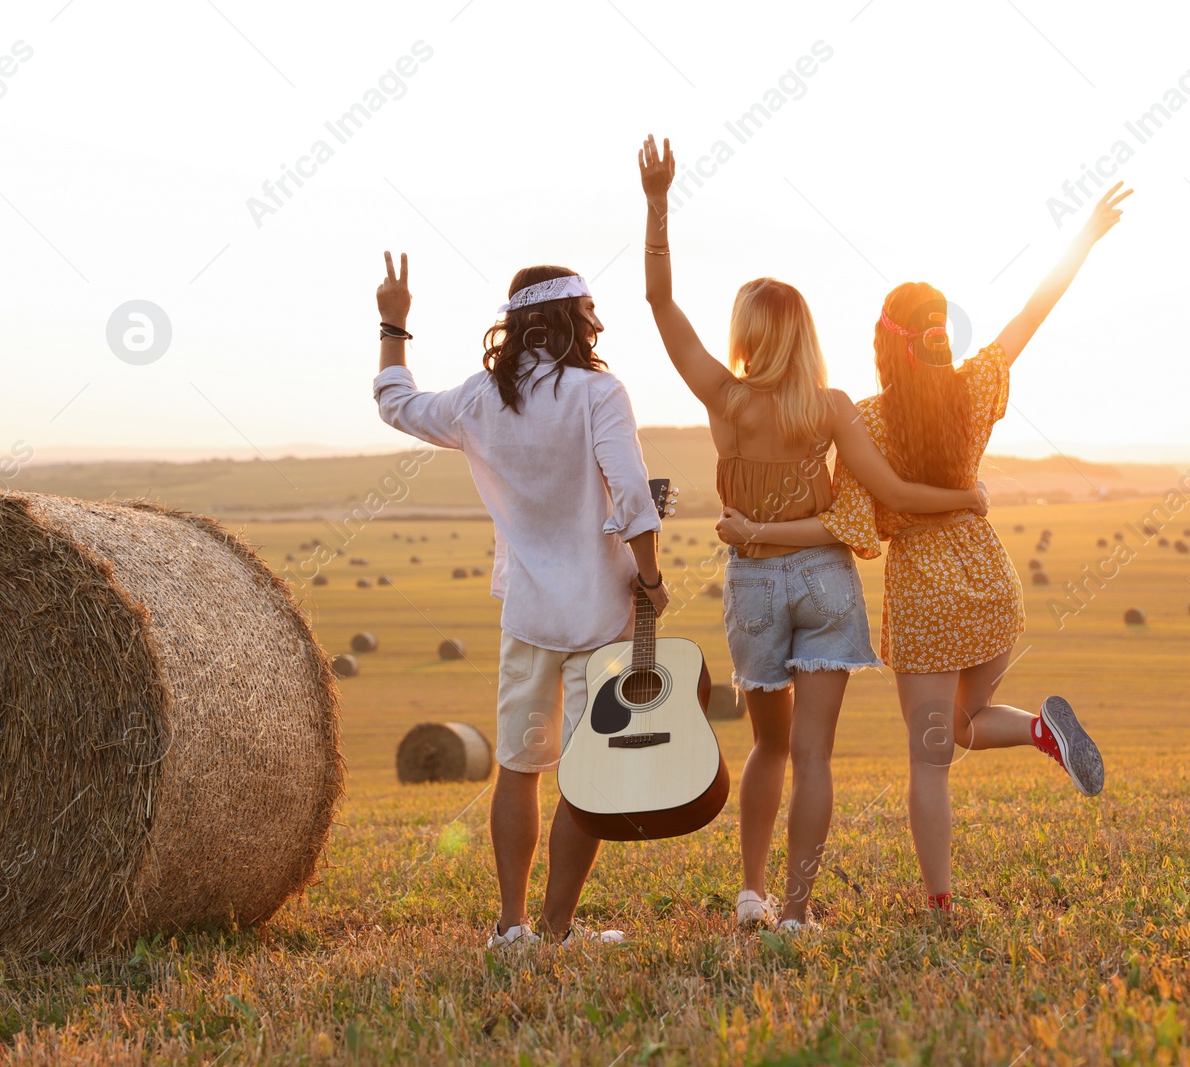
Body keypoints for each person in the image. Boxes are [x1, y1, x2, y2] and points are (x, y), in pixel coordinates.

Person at [717, 182, 1132, 914]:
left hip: (925, 592)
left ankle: (940, 900)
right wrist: (1086, 238)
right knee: (967, 724)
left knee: (929, 758)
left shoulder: (869, 423)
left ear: (884, 343)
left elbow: (847, 524)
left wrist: (758, 534)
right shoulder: (975, 389)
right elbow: (1031, 314)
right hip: (991, 577)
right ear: (944, 336)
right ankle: (1041, 730)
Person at [638, 136, 988, 933]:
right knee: (814, 758)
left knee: (767, 748)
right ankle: (798, 912)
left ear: (747, 334)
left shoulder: (724, 397)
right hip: (827, 581)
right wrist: (964, 497)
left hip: (755, 585)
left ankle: (753, 895)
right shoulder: (829, 406)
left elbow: (660, 305)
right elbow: (895, 491)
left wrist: (658, 202)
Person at [373, 251, 668, 947]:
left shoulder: (479, 399)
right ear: (576, 319)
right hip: (601, 611)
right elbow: (631, 491)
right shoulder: (601, 394)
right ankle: (561, 929)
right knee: (585, 774)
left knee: (517, 766)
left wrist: (394, 321)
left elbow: (394, 404)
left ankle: (512, 926)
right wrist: (651, 578)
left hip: (528, 614)